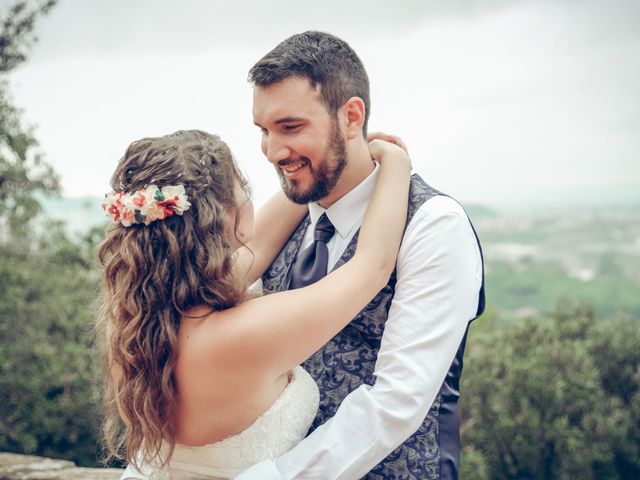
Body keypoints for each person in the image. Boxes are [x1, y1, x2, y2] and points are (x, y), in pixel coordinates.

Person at [236, 31, 485, 479]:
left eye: (291, 127)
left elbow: (395, 402)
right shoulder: (286, 220)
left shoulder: (434, 224)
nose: (274, 152)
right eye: (264, 131)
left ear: (351, 117)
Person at [98, 129, 411, 479]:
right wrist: (395, 161)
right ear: (233, 218)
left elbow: (257, 248)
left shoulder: (132, 323)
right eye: (241, 190)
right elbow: (372, 267)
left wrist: (329, 163)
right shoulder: (244, 333)